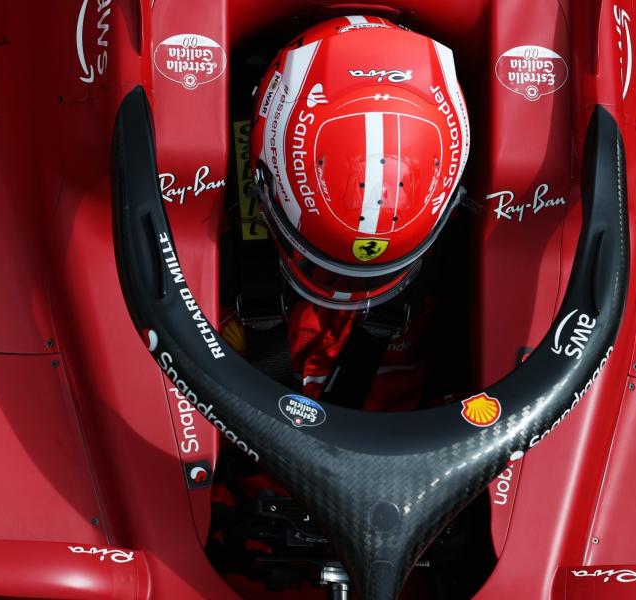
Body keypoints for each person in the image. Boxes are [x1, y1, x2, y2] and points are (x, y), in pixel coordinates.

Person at [208, 14, 486, 595]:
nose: (346, 291)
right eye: (325, 262)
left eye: (378, 270)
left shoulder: (462, 243)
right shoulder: (213, 209)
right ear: (261, 182)